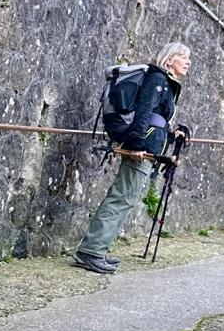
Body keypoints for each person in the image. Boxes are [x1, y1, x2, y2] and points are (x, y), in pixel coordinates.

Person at [74, 41, 191, 275]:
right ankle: (91, 251)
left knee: (124, 197)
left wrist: (172, 134)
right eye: (184, 57)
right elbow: (144, 112)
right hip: (141, 150)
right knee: (122, 197)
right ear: (170, 60)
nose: (188, 63)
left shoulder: (164, 82)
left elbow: (156, 119)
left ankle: (95, 250)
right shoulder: (157, 80)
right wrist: (137, 145)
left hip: (147, 147)